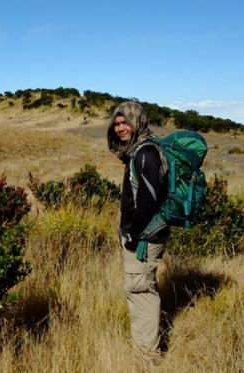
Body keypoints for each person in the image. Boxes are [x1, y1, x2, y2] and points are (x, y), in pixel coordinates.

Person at [107, 101, 169, 356]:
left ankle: (147, 356)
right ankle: (145, 348)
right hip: (142, 234)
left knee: (141, 289)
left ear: (137, 122)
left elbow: (148, 200)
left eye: (125, 123)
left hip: (143, 237)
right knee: (140, 287)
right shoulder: (139, 151)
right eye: (117, 123)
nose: (121, 128)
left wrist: (133, 232)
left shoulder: (145, 154)